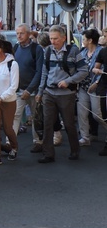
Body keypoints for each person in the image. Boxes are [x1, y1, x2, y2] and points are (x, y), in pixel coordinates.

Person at [36, 25, 88, 163]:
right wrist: (40, 91)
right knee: (48, 123)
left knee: (69, 123)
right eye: (51, 38)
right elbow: (44, 73)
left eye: (56, 39)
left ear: (64, 38)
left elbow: (84, 70)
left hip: (66, 94)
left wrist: (68, 81)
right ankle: (48, 154)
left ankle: (75, 150)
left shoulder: (73, 51)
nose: (53, 41)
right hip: (49, 92)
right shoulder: (47, 51)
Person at [12, 24, 44, 153]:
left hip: (33, 91)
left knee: (36, 117)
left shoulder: (37, 49)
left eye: (22, 33)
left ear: (29, 34)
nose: (19, 36)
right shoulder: (15, 48)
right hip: (19, 90)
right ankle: (11, 142)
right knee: (15, 115)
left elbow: (39, 71)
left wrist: (30, 89)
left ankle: (38, 142)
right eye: (17, 33)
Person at [77, 29, 102, 146]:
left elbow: (104, 69)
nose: (82, 41)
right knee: (82, 112)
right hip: (83, 87)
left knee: (97, 115)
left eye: (84, 39)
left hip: (95, 87)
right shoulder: (82, 52)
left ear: (90, 40)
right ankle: (85, 137)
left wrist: (97, 82)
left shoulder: (101, 52)